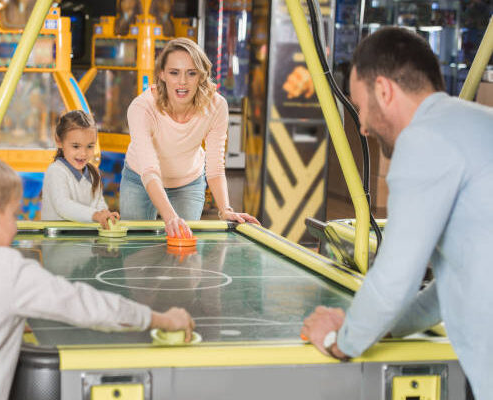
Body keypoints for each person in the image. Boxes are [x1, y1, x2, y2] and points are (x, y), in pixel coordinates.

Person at [0, 149, 195, 400]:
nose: (16, 222)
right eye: (15, 214)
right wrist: (162, 319)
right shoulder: (9, 272)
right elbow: (89, 306)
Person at [300, 27, 493, 399]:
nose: (362, 126)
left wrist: (342, 340)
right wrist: (381, 327)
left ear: (385, 91)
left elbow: (395, 279)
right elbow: (445, 292)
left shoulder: (423, 140)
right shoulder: (473, 123)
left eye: (360, 108)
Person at [120, 38, 259, 238]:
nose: (182, 81)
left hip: (188, 182)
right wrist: (170, 217)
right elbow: (149, 169)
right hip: (139, 179)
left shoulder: (216, 106)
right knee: (135, 249)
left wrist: (225, 209)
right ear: (162, 74)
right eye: (174, 72)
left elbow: (215, 167)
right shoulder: (142, 108)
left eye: (191, 73)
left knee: (184, 250)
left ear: (201, 76)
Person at [42, 110, 119, 228]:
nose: (83, 153)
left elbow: (99, 203)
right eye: (76, 146)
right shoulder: (56, 171)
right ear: (59, 141)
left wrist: (105, 215)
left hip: (85, 241)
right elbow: (63, 206)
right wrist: (96, 215)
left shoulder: (94, 174)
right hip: (58, 243)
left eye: (90, 146)